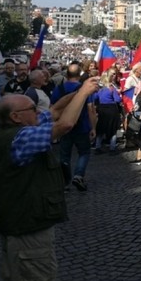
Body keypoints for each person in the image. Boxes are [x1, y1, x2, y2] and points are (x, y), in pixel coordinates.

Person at [0, 76, 100, 281]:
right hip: (28, 224)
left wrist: (83, 89)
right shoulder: (21, 137)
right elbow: (65, 125)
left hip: (14, 221)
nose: (37, 110)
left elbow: (56, 109)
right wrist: (83, 93)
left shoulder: (17, 128)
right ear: (15, 117)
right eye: (31, 108)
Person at [50, 62, 97, 192]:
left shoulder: (59, 89)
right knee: (84, 152)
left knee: (64, 155)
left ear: (67, 74)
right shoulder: (84, 89)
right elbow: (91, 110)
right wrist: (93, 127)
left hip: (63, 127)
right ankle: (78, 175)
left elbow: (53, 108)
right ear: (79, 74)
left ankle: (65, 182)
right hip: (82, 126)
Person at [94, 69, 123, 155]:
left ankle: (97, 147)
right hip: (111, 109)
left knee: (100, 129)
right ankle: (112, 148)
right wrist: (119, 95)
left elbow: (95, 98)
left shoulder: (100, 89)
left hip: (102, 109)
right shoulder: (111, 88)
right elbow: (117, 99)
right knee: (113, 129)